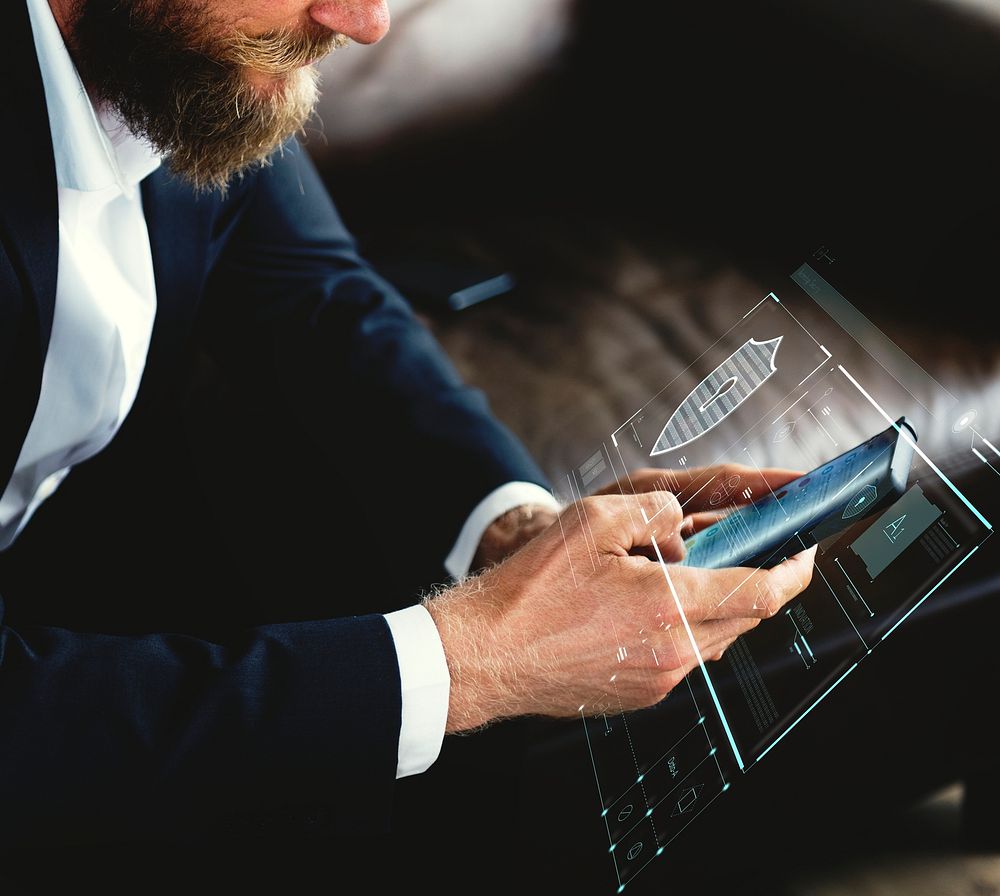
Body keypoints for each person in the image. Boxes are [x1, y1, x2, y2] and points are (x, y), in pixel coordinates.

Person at [0, 0, 817, 845]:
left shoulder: (183, 59)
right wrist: (473, 659)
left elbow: (317, 294)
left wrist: (516, 529)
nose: (363, 22)